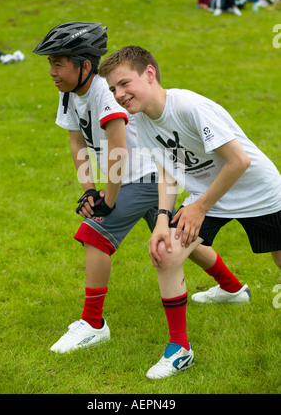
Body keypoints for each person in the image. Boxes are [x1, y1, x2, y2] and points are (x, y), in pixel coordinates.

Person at [33, 23, 249, 360]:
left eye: (58, 63)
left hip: (148, 176)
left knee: (94, 234)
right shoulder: (68, 94)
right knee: (176, 241)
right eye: (50, 63)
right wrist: (89, 190)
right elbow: (77, 140)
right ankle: (233, 288)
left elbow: (117, 149)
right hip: (130, 178)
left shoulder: (106, 92)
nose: (52, 72)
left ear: (84, 65)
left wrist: (108, 201)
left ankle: (93, 324)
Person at [98, 45, 281, 379]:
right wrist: (163, 220)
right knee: (166, 252)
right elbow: (167, 170)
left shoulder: (188, 106)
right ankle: (180, 349)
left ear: (149, 74)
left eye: (124, 83)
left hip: (260, 192)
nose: (118, 94)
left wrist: (199, 207)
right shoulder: (141, 119)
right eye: (112, 89)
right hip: (208, 196)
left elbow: (239, 161)